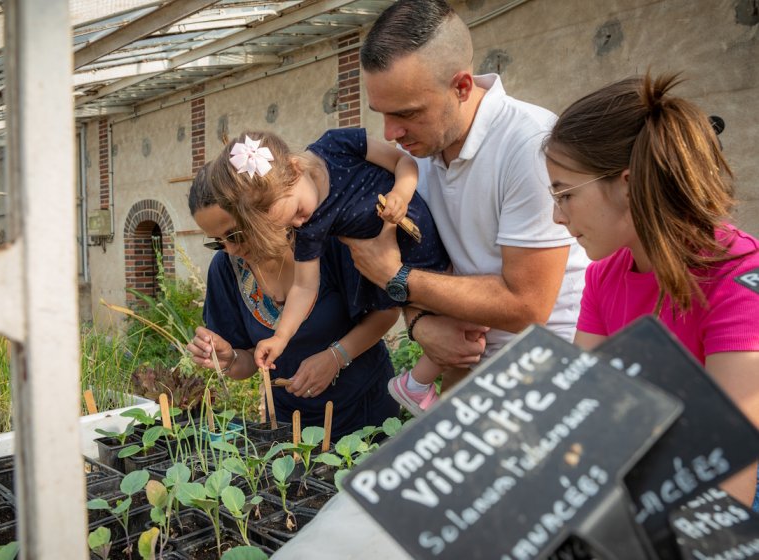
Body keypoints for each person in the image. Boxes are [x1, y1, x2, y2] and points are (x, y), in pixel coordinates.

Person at [342, 0, 589, 394]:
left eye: (406, 113)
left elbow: (528, 304)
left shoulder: (530, 144)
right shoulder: (414, 157)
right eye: (381, 114)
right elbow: (423, 270)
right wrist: (421, 325)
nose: (390, 133)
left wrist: (395, 277)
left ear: (461, 86)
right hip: (468, 371)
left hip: (549, 369)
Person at [543, 72, 759, 507]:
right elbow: (584, 408)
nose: (556, 217)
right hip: (651, 472)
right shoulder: (604, 276)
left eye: (565, 195)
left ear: (625, 184)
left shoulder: (739, 280)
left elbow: (728, 485)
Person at [208, 129, 450, 416]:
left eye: (297, 210)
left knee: (462, 329)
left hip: (425, 243)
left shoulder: (336, 145)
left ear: (296, 168)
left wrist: (400, 194)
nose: (300, 223)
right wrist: (280, 338)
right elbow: (304, 288)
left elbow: (404, 162)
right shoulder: (311, 229)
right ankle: (422, 389)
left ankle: (424, 390)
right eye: (288, 224)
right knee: (459, 334)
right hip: (415, 263)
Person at [185, 164, 401, 438]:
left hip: (364, 410)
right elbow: (250, 361)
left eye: (236, 234)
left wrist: (336, 357)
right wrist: (229, 359)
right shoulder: (226, 269)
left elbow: (386, 313)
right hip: (290, 423)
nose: (231, 249)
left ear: (263, 210)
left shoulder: (327, 242)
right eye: (218, 242)